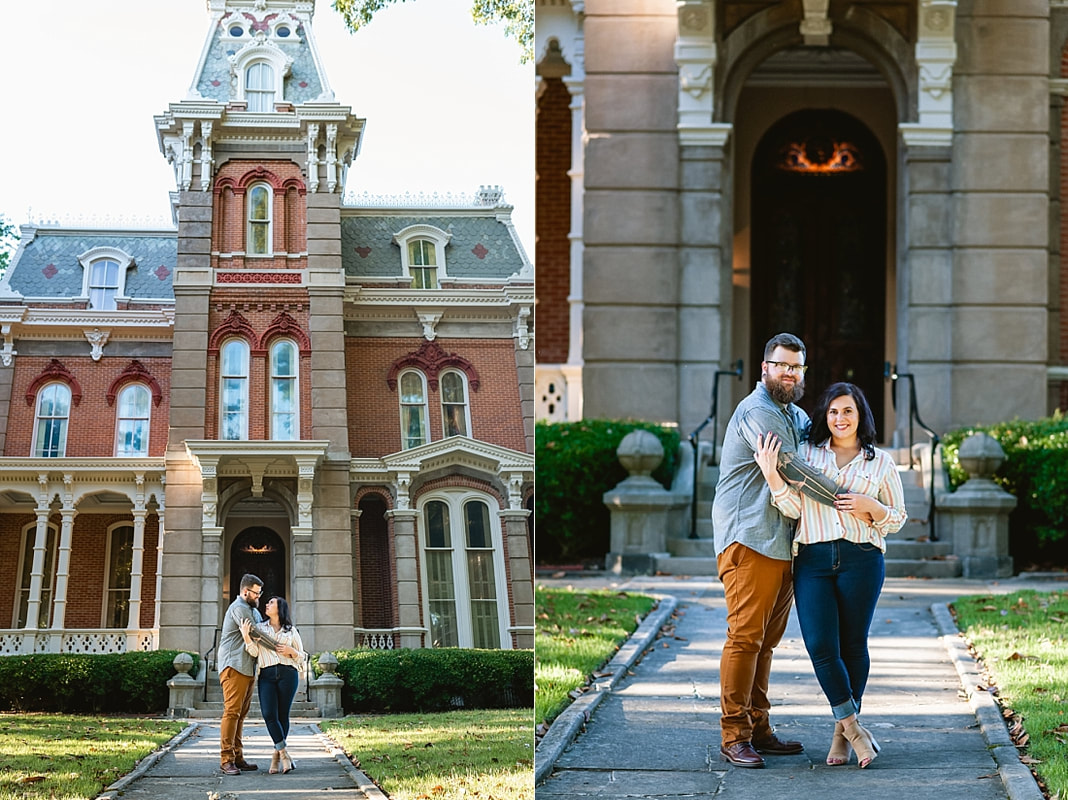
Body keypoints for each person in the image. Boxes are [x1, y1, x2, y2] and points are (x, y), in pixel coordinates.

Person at [754, 381, 906, 769]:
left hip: (862, 559)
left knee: (853, 645)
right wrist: (772, 476)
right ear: (825, 416)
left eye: (848, 411)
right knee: (821, 645)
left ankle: (840, 736)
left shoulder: (880, 463)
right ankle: (855, 728)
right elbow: (791, 509)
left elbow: (897, 519)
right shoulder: (807, 455)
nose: (840, 418)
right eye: (834, 411)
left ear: (861, 416)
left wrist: (872, 507)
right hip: (813, 560)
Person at [711, 332, 811, 769]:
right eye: (782, 364)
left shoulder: (796, 414)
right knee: (746, 637)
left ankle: (758, 727)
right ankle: (734, 735)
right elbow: (795, 470)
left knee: (765, 643)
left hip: (782, 542)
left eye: (796, 366)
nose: (788, 372)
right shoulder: (757, 411)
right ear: (764, 368)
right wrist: (853, 500)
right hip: (750, 538)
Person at [217, 573, 281, 776]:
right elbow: (255, 633)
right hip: (234, 666)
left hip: (247, 667)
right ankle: (226, 759)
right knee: (232, 712)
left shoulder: (251, 609)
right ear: (246, 592)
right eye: (257, 593)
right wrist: (279, 647)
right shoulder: (239, 608)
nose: (259, 597)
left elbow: (263, 628)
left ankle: (238, 757)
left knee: (241, 715)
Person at [240, 596, 307, 774]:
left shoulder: (291, 631)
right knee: (269, 714)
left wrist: (291, 651)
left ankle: (276, 756)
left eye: (271, 603)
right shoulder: (260, 629)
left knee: (282, 715)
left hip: (288, 674)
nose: (267, 605)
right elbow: (254, 652)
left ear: (280, 608)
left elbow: (302, 656)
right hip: (267, 675)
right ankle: (283, 753)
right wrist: (247, 637)